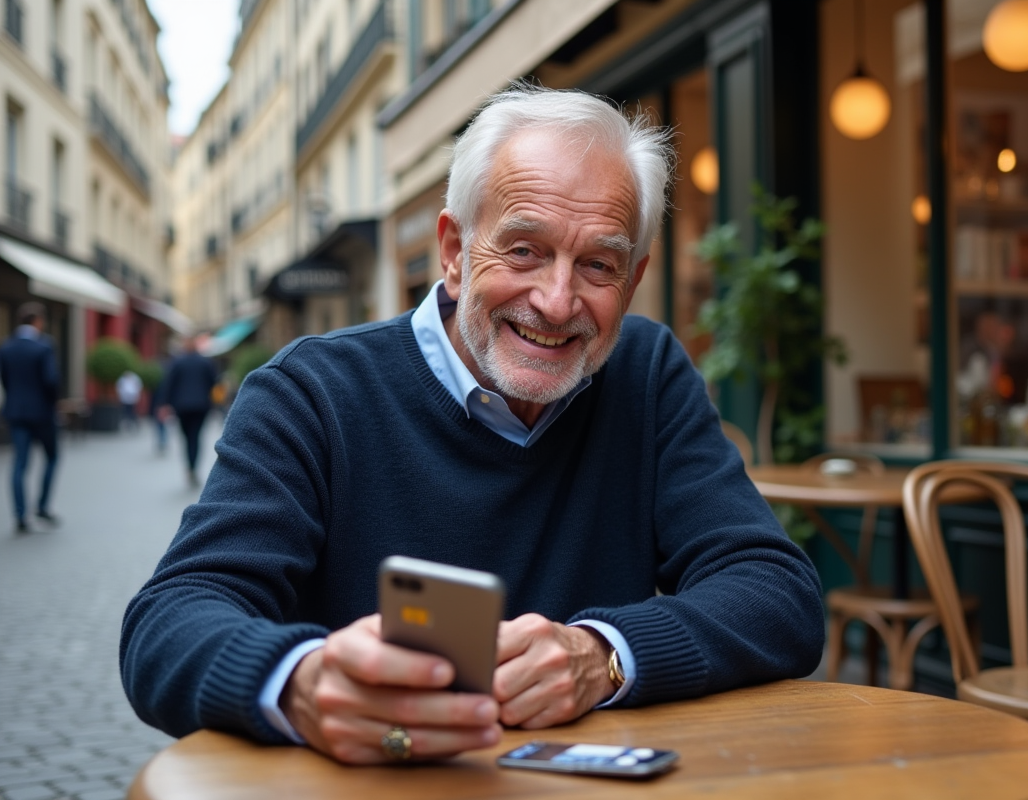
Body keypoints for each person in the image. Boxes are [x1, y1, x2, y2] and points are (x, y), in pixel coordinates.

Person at [121, 86, 825, 766]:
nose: (556, 301)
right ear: (454, 253)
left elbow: (777, 592)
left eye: (597, 265)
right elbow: (170, 620)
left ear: (633, 281)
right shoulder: (311, 391)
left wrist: (604, 654)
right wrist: (303, 682)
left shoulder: (645, 373)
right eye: (523, 250)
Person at [0, 302, 60, 532]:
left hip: (16, 412)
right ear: (38, 321)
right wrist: (53, 404)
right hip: (42, 413)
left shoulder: (6, 347)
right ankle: (42, 506)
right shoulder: (44, 347)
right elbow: (51, 381)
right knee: (52, 457)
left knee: (19, 464)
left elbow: (5, 380)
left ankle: (20, 515)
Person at [158, 336, 218, 486]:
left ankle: (190, 467)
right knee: (196, 437)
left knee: (186, 438)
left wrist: (164, 404)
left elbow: (169, 384)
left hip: (182, 407)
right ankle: (193, 467)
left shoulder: (178, 362)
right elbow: (214, 383)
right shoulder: (205, 362)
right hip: (201, 406)